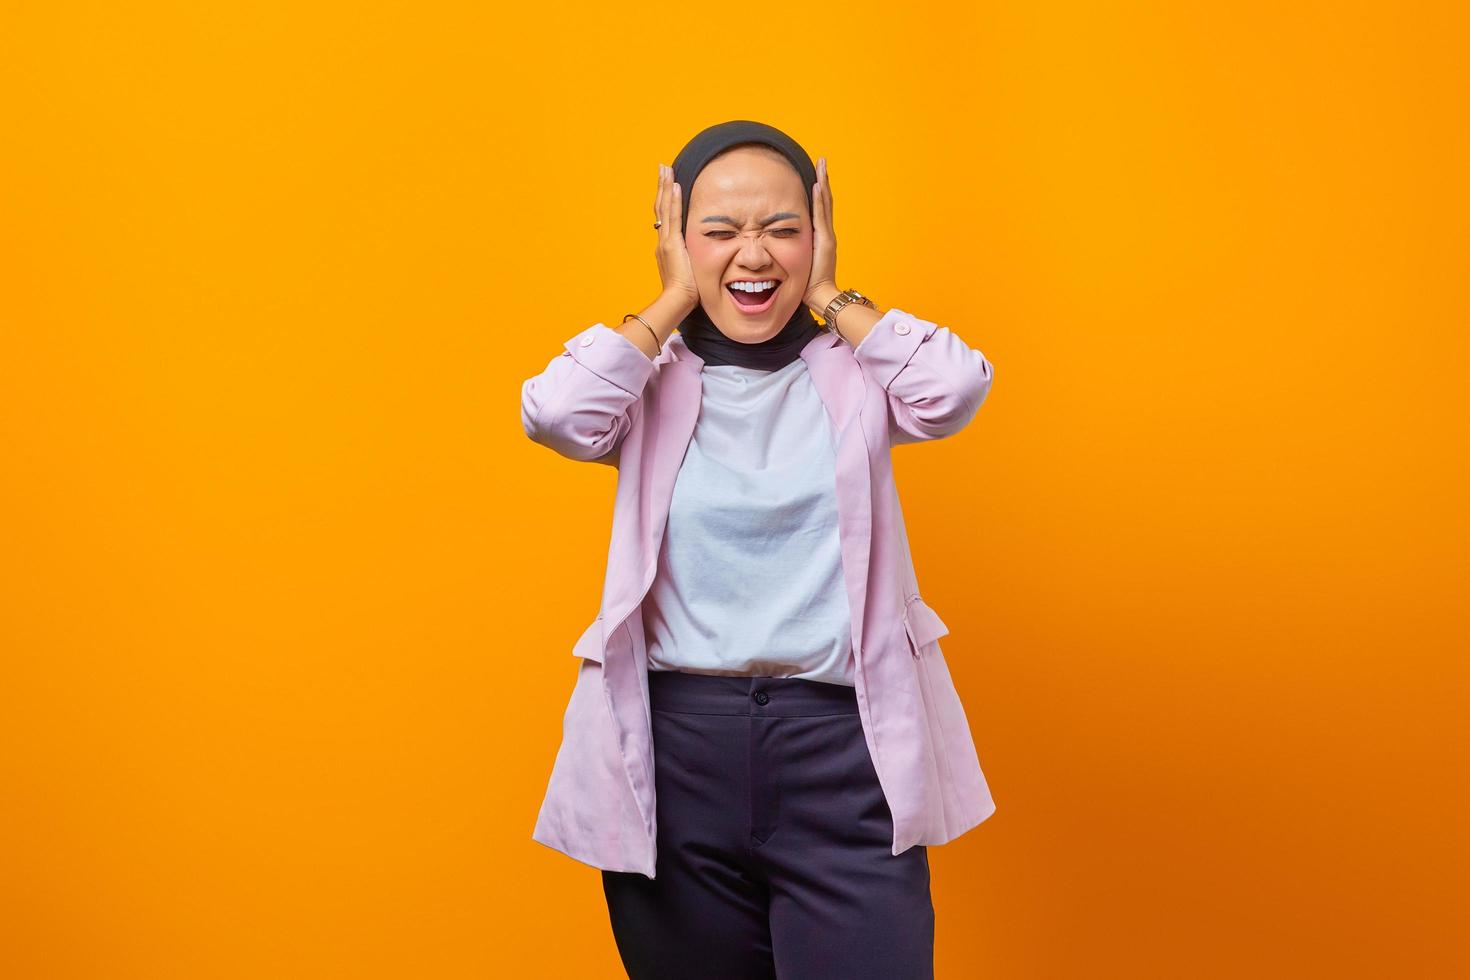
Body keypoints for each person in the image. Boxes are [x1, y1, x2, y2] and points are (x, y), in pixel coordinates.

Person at [521, 120, 998, 979]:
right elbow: (555, 414)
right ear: (675, 240)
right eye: (720, 231)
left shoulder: (853, 371)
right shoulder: (646, 380)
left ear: (815, 238)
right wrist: (670, 299)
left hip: (845, 751)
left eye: (782, 228)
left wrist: (836, 296)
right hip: (676, 762)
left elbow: (952, 388)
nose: (755, 254)